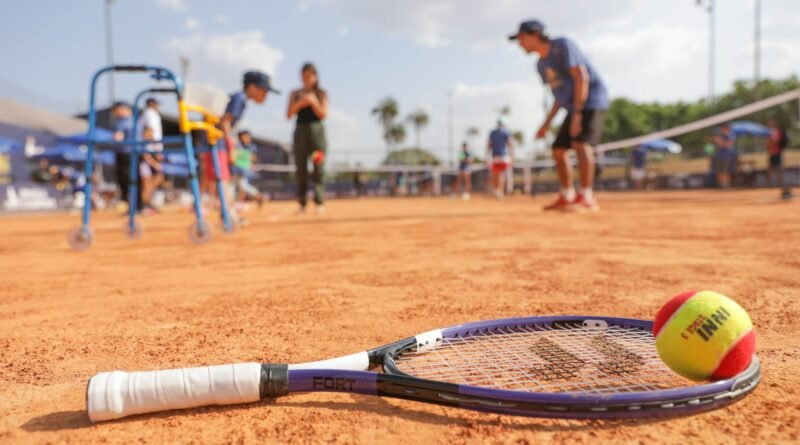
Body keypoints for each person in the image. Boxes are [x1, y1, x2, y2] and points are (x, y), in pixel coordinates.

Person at [510, 19, 609, 211]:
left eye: (521, 38)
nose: (519, 43)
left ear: (534, 34)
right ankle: (566, 195)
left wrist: (579, 114)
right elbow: (559, 97)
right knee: (558, 149)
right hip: (573, 106)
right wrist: (546, 123)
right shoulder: (540, 65)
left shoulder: (562, 45)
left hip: (591, 100)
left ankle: (586, 197)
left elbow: (581, 76)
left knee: (581, 142)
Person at [204, 70, 277, 223]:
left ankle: (229, 214)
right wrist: (232, 148)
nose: (265, 95)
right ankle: (228, 215)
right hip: (217, 143)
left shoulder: (240, 99)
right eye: (264, 90)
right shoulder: (240, 98)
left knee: (227, 180)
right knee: (223, 179)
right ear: (251, 87)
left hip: (218, 142)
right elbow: (225, 122)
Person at [286, 62, 328, 214]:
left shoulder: (321, 93)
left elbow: (324, 114)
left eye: (310, 76)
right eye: (304, 77)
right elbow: (288, 114)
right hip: (300, 131)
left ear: (315, 77)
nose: (307, 80)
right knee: (301, 168)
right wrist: (301, 103)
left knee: (319, 166)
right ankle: (302, 203)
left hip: (317, 132)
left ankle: (319, 202)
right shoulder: (295, 94)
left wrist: (313, 102)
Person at [137, 98, 164, 213]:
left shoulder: (146, 115)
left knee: (155, 179)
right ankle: (145, 204)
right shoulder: (150, 115)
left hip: (152, 151)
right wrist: (157, 151)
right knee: (147, 183)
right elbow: (150, 132)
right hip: (150, 151)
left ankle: (147, 202)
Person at [110, 101, 138, 210]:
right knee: (129, 178)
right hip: (130, 153)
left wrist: (111, 139)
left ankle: (129, 201)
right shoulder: (134, 121)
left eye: (116, 111)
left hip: (126, 153)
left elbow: (118, 137)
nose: (115, 113)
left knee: (125, 178)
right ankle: (133, 203)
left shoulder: (123, 122)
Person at [231, 130, 263, 208]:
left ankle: (255, 195)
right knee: (240, 186)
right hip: (236, 169)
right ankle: (239, 203)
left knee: (241, 186)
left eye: (248, 137)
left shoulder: (251, 147)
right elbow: (234, 156)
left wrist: (250, 161)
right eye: (245, 136)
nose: (247, 138)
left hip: (243, 170)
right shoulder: (237, 145)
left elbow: (253, 158)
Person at [487, 118, 514, 198]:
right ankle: (500, 191)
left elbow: (489, 146)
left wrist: (487, 156)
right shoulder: (506, 132)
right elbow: (510, 144)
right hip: (503, 156)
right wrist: (512, 156)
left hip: (494, 156)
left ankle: (495, 190)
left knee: (495, 174)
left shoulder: (492, 132)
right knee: (501, 174)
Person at [713, 124, 736, 189]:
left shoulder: (729, 136)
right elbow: (718, 144)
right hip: (719, 156)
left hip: (727, 156)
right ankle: (721, 184)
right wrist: (721, 143)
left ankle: (726, 184)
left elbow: (728, 145)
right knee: (719, 171)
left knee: (726, 171)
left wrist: (721, 142)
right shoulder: (720, 136)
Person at [766, 118, 786, 188]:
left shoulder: (778, 132)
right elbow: (768, 143)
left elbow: (777, 142)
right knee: (771, 168)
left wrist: (771, 142)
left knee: (779, 168)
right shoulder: (770, 132)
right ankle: (769, 183)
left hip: (777, 152)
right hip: (772, 153)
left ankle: (779, 183)